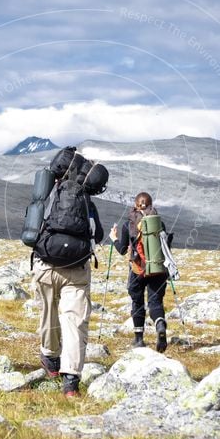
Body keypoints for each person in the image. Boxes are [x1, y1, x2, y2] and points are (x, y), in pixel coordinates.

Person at [32, 163, 105, 398]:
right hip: (76, 271)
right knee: (74, 322)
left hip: (45, 266)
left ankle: (50, 358)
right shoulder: (87, 203)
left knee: (48, 314)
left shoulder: (49, 196)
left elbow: (33, 229)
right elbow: (98, 235)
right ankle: (71, 382)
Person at [110, 192, 172, 353]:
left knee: (137, 302)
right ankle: (159, 324)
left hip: (138, 269)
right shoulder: (159, 223)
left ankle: (138, 340)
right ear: (151, 205)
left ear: (135, 205)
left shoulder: (128, 224)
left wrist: (114, 238)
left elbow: (123, 250)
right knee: (155, 302)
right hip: (158, 270)